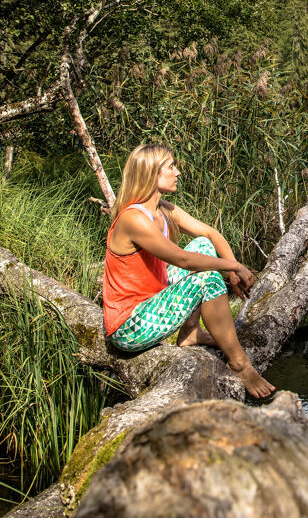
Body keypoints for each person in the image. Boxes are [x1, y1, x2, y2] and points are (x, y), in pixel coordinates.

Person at [102, 142, 274, 398]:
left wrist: (234, 272)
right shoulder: (133, 219)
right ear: (152, 174)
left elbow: (209, 233)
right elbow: (183, 260)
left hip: (152, 301)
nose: (177, 172)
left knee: (203, 245)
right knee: (204, 278)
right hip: (128, 326)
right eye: (171, 167)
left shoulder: (163, 210)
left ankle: (191, 332)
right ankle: (240, 364)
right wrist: (233, 266)